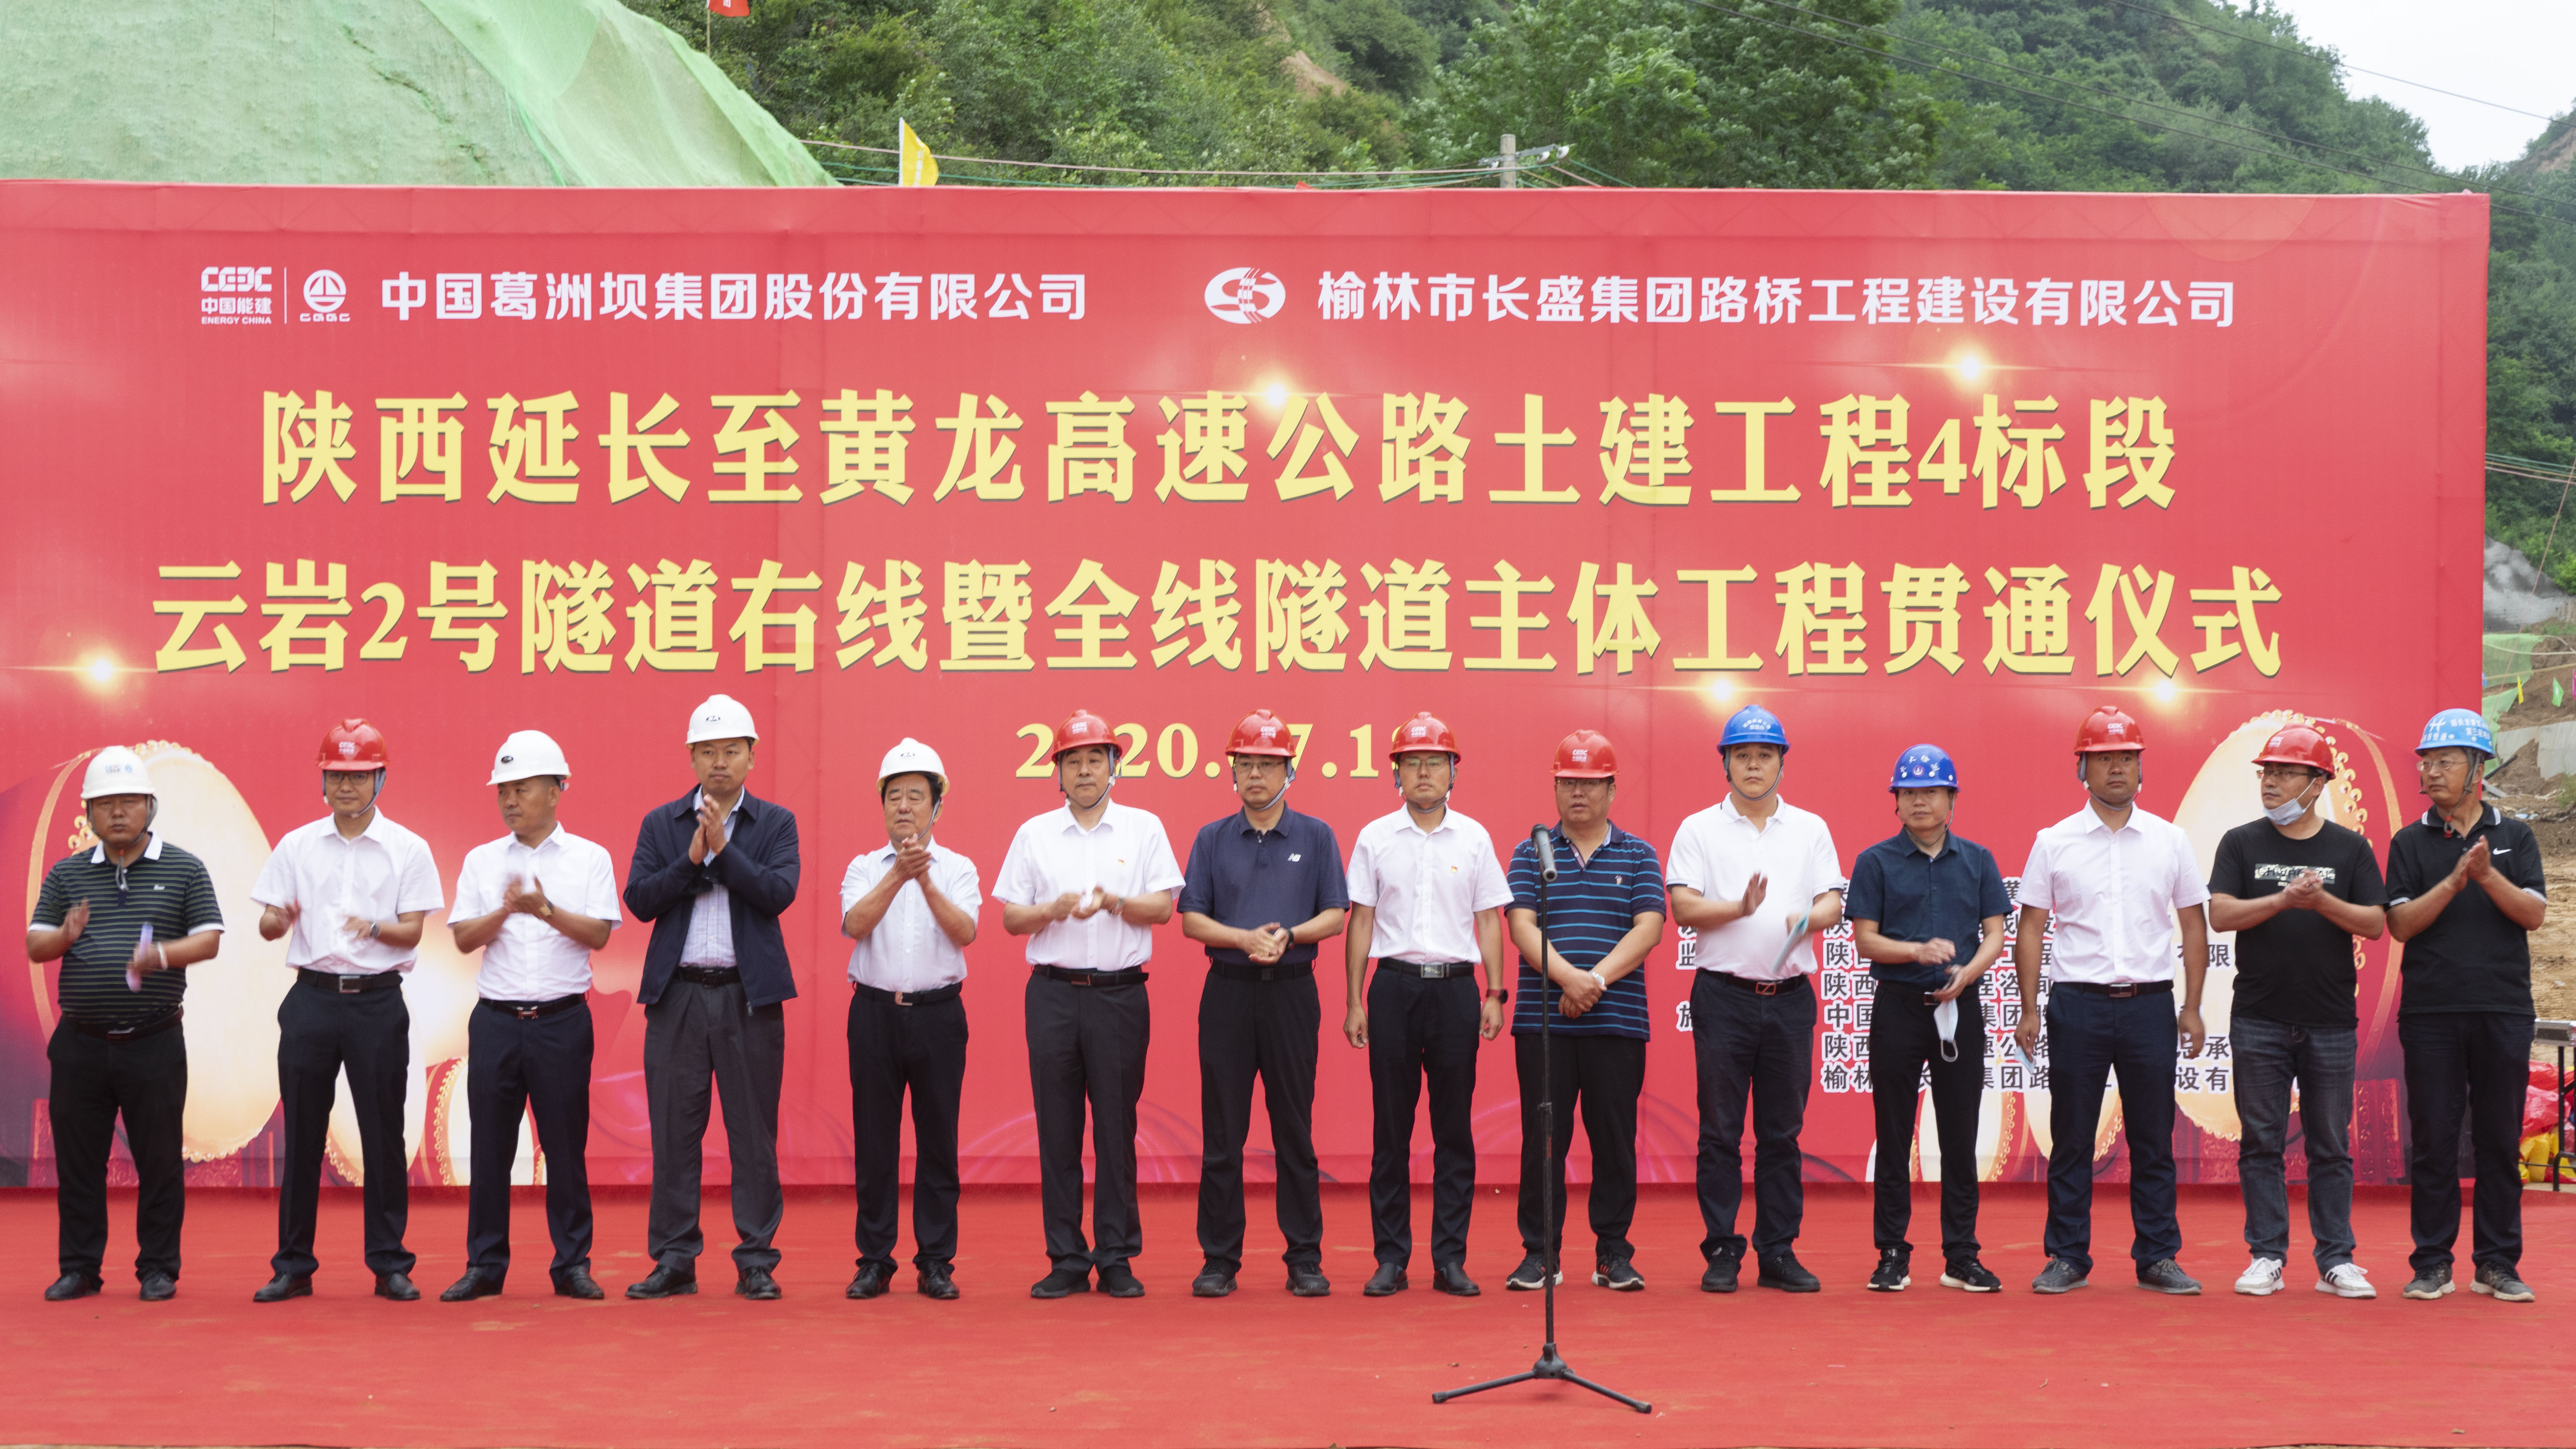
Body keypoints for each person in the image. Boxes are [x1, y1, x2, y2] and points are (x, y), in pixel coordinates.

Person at [2012, 705, 2210, 1296]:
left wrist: (2192, 1006)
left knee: (2153, 1137)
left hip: (2150, 1005)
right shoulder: (2054, 842)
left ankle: (2158, 1257)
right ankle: (2067, 1256)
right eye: (2104, 759)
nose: (2117, 768)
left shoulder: (2170, 840)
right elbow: (2031, 928)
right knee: (2072, 1137)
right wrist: (2029, 1008)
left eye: (2127, 757)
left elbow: (2193, 925)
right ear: (2082, 769)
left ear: (2142, 767)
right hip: (2078, 1005)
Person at [250, 719, 445, 1303]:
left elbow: (412, 933)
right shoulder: (296, 845)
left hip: (377, 1003)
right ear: (322, 779)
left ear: (380, 779)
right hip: (311, 1000)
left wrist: (374, 928)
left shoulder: (408, 849)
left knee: (383, 1136)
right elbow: (267, 925)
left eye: (359, 776)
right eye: (336, 774)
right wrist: (279, 919)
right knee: (303, 1135)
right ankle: (293, 1265)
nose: (346, 786)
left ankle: (390, 1264)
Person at [996, 709, 1185, 1300]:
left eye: (1095, 760)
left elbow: (1164, 908)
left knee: (1115, 1130)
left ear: (1113, 766)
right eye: (1073, 761)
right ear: (1057, 771)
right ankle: (1067, 1258)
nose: (1084, 771)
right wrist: (1049, 911)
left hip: (1119, 996)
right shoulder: (1034, 834)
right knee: (1057, 1130)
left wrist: (1115, 903)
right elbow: (1010, 918)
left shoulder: (1143, 828)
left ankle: (1117, 1257)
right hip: (1053, 994)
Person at [623, 693, 802, 1301]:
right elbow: (640, 899)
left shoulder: (776, 823)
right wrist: (692, 859)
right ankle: (675, 1258)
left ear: (752, 756)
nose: (719, 762)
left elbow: (777, 893)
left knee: (753, 1135)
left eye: (731, 751)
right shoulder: (662, 823)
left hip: (748, 998)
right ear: (692, 758)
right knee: (674, 1133)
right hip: (678, 996)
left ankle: (756, 1260)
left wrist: (724, 850)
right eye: (707, 751)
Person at [27, 748, 223, 1302]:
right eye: (105, 803)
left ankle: (158, 1268)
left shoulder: (185, 868)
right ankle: (80, 1268)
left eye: (129, 802)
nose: (117, 812)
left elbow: (209, 939)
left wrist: (160, 956)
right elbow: (36, 944)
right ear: (88, 811)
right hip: (80, 1043)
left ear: (150, 806)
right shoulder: (66, 873)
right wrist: (65, 935)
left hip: (153, 1042)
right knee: (78, 1162)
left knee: (159, 1162)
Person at [1665, 704, 1844, 1294]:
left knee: (1782, 1133)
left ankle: (1778, 1251)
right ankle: (1722, 1249)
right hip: (1725, 997)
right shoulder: (1699, 829)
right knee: (1720, 1131)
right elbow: (1684, 907)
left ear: (1781, 764)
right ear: (1725, 764)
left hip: (1790, 999)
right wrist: (1739, 908)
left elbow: (1833, 901)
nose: (1753, 765)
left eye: (1765, 755)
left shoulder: (1810, 828)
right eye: (1742, 755)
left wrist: (1807, 917)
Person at [2207, 722, 2388, 1300]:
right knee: (2261, 1141)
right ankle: (2266, 1255)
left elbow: (2376, 923)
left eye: (2285, 773)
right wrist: (2285, 899)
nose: (2271, 783)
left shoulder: (2349, 849)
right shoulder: (2241, 843)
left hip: (2330, 1020)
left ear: (2317, 784)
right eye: (2267, 772)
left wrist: (2322, 901)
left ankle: (2337, 1259)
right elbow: (2220, 914)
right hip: (2258, 1017)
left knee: (2330, 1144)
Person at [440, 731, 621, 1303]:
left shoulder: (590, 858)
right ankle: (485, 1265)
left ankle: (572, 1265)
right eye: (503, 791)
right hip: (496, 1021)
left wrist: (543, 908)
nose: (510, 800)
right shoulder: (482, 860)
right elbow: (464, 938)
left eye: (522, 788)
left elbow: (599, 934)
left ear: (556, 790)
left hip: (562, 1022)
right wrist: (506, 910)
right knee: (489, 1150)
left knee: (565, 1149)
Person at [1179, 709, 1349, 1299]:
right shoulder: (1212, 838)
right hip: (1227, 993)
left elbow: (1336, 913)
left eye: (1268, 765)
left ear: (1289, 771)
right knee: (1223, 1132)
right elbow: (1192, 920)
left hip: (1292, 994)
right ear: (1233, 772)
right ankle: (1219, 1259)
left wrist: (1290, 936)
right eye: (1246, 764)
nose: (1255, 775)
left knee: (1294, 1129)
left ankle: (1304, 1257)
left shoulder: (1317, 836)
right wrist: (1243, 938)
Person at [1343, 710, 1511, 1298]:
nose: (1423, 773)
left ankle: (1450, 1259)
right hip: (1392, 988)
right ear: (1396, 773)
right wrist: (1354, 1000)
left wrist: (1494, 992)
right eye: (1412, 763)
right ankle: (1390, 1259)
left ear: (1452, 772)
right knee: (1391, 1129)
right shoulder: (1374, 837)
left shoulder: (1475, 838)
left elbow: (1489, 919)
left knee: (1453, 1130)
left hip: (1456, 991)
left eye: (1434, 763)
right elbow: (1361, 920)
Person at [2386, 707, 2547, 1304]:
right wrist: (2455, 880)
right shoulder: (2409, 841)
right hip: (2431, 1012)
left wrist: (2486, 876)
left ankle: (2497, 1263)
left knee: (2499, 1139)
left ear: (2478, 770)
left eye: (2445, 762)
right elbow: (2400, 924)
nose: (2430, 772)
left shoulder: (2516, 836)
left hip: (2503, 1009)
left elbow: (2534, 914)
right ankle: (2432, 1262)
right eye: (2426, 762)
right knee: (2434, 1139)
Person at [1501, 729, 1665, 1295]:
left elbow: (1649, 929)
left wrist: (1593, 981)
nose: (1579, 793)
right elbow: (1521, 926)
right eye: (1569, 782)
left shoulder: (1639, 854)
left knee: (1614, 1140)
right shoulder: (1531, 851)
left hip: (1617, 1021)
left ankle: (1613, 1253)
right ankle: (1540, 1253)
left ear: (1612, 790)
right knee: (1543, 1139)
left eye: (1591, 783)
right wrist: (1568, 978)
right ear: (1554, 786)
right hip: (1544, 1024)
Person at [1847, 744, 2008, 1293]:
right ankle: (1892, 1252)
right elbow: (1865, 939)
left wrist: (1968, 974)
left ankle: (1961, 1254)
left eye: (1931, 791)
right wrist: (1915, 952)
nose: (1920, 801)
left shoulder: (1978, 860)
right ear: (1896, 802)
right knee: (1894, 1134)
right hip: (1898, 1007)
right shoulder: (1875, 861)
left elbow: (1995, 934)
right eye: (1909, 792)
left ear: (1951, 799)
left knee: (1961, 1134)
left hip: (1959, 1008)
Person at [840, 738, 980, 1301]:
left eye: (916, 796)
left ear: (937, 806)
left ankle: (936, 1261)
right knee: (875, 1143)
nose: (903, 806)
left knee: (938, 1141)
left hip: (939, 1016)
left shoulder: (959, 868)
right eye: (893, 795)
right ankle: (874, 1261)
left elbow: (965, 931)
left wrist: (924, 878)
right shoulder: (863, 867)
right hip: (874, 1014)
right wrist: (898, 874)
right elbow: (855, 924)